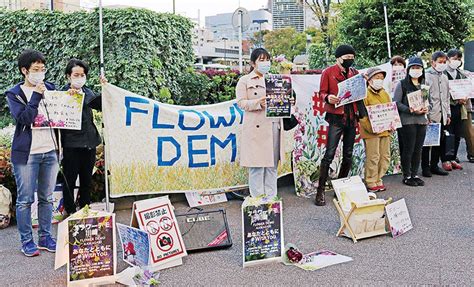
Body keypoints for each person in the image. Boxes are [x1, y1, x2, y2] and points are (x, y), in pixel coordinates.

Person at [5, 49, 59, 256]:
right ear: (24, 70)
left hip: (50, 151)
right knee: (25, 199)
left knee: (46, 197)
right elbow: (25, 118)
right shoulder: (14, 94)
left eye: (43, 69)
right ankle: (27, 241)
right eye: (36, 69)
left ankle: (46, 237)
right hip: (27, 154)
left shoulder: (51, 89)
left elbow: (66, 109)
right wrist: (36, 95)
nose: (40, 73)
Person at [315, 44, 362, 206]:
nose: (350, 60)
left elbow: (359, 92)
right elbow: (322, 92)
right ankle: (320, 190)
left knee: (348, 153)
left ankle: (340, 187)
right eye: (346, 58)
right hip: (336, 116)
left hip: (352, 116)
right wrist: (328, 98)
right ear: (338, 58)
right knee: (329, 153)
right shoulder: (328, 72)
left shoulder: (354, 73)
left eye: (352, 58)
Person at [236, 48, 286, 198]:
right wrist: (258, 103)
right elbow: (241, 102)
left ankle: (271, 200)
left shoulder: (275, 79)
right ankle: (258, 201)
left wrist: (287, 102)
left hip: (273, 125)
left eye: (267, 60)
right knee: (257, 167)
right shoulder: (244, 80)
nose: (265, 63)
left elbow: (283, 101)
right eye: (261, 60)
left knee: (272, 166)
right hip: (256, 128)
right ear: (253, 63)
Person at [61, 59, 105, 215]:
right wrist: (69, 96)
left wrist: (105, 88)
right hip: (71, 145)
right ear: (68, 76)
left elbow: (100, 104)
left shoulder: (88, 92)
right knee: (69, 181)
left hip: (89, 143)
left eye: (82, 74)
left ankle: (85, 209)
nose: (80, 77)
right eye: (76, 74)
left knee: (86, 180)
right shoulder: (61, 94)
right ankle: (71, 211)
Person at [394, 56, 429, 187]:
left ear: (422, 70)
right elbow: (396, 102)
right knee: (408, 149)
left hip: (421, 121)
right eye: (413, 68)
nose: (416, 70)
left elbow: (427, 102)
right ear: (408, 69)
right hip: (407, 121)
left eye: (418, 68)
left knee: (418, 149)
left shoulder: (424, 86)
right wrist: (410, 109)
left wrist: (426, 108)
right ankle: (407, 175)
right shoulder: (402, 84)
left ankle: (415, 174)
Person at [359, 67, 392, 192]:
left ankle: (379, 179)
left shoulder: (385, 93)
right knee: (373, 157)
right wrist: (372, 128)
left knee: (385, 156)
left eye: (381, 78)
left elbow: (390, 110)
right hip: (371, 132)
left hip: (385, 131)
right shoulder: (364, 94)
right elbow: (362, 116)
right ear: (369, 79)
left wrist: (392, 124)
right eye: (376, 78)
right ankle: (370, 181)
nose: (379, 80)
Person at [422, 51, 451, 177]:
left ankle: (435, 165)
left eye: (444, 62)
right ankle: (425, 167)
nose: (442, 64)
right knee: (427, 143)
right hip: (431, 115)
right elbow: (423, 97)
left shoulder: (445, 77)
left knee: (439, 141)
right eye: (440, 62)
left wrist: (448, 114)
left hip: (443, 114)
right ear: (433, 62)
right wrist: (426, 116)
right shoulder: (426, 76)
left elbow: (447, 97)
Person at [444, 49, 474, 164]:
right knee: (449, 133)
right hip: (449, 107)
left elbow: (468, 88)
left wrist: (466, 97)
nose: (456, 61)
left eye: (458, 59)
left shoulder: (463, 74)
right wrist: (456, 99)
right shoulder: (443, 74)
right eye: (454, 58)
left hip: (463, 107)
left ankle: (455, 156)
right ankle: (448, 157)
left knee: (459, 133)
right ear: (448, 59)